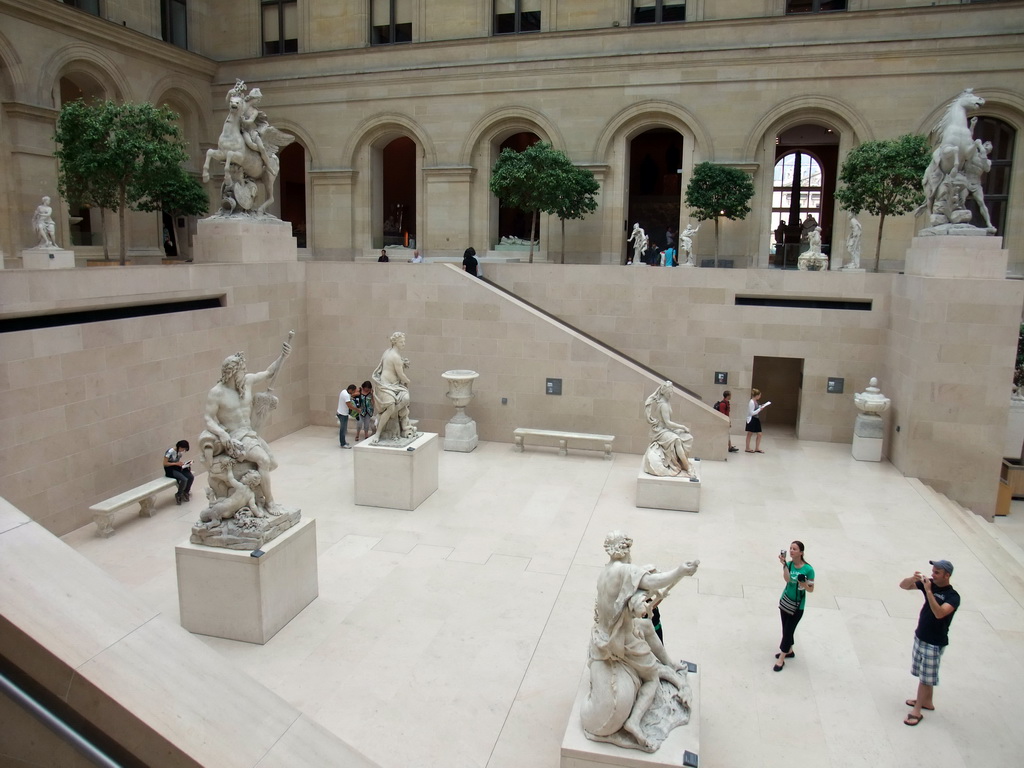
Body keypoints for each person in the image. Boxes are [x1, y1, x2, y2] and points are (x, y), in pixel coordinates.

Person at [586, 531, 698, 751]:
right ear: (625, 550)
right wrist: (680, 571)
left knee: (645, 626)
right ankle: (633, 722)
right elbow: (653, 580)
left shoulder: (606, 571)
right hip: (621, 641)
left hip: (603, 634)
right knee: (652, 677)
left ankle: (672, 664)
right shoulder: (624, 571)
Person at [200, 337, 292, 507]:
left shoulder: (247, 382)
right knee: (264, 460)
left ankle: (260, 497)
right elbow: (208, 419)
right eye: (242, 370)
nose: (245, 372)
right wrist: (221, 433)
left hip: (250, 434)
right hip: (235, 437)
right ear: (232, 373)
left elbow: (268, 373)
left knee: (272, 462)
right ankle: (270, 502)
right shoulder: (217, 393)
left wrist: (282, 357)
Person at [899, 560, 960, 726]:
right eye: (933, 571)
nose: (933, 574)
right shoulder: (930, 584)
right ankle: (927, 702)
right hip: (921, 636)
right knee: (923, 673)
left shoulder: (953, 597)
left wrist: (929, 592)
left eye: (937, 572)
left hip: (934, 642)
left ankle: (917, 711)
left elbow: (940, 613)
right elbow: (903, 586)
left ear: (947, 575)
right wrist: (912, 578)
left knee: (925, 679)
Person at [774, 541, 814, 671]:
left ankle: (781, 659)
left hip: (797, 606)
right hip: (786, 602)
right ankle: (789, 650)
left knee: (787, 632)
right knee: (786, 629)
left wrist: (803, 584)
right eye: (790, 548)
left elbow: (811, 589)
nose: (791, 551)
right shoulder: (790, 564)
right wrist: (784, 564)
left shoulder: (808, 569)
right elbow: (787, 579)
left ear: (801, 552)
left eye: (794, 549)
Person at [642, 381, 695, 477]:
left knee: (687, 437)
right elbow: (668, 423)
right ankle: (687, 467)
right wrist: (682, 426)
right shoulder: (664, 405)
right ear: (665, 392)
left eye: (672, 392)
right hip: (660, 431)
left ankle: (683, 462)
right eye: (670, 392)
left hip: (666, 429)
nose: (671, 394)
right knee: (677, 440)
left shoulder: (666, 402)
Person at [372, 331, 414, 442]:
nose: (404, 344)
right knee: (391, 406)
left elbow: (392, 367)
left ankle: (390, 415)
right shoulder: (395, 356)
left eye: (404, 341)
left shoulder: (388, 352)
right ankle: (378, 432)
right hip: (386, 387)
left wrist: (402, 363)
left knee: (405, 399)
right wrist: (408, 381)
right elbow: (401, 375)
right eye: (401, 342)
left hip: (394, 386)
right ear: (395, 342)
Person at [163, 439, 194, 505]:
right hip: (170, 469)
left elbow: (177, 462)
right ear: (180, 447)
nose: (183, 451)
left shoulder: (179, 453)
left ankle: (186, 492)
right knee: (184, 479)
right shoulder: (170, 452)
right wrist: (175, 464)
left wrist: (185, 464)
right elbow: (165, 463)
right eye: (183, 449)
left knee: (190, 477)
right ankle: (179, 494)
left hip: (177, 467)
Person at [745, 388, 770, 453]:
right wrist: (760, 409)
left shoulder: (756, 402)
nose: (760, 397)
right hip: (752, 419)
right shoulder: (751, 402)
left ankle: (757, 448)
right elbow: (752, 413)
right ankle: (747, 448)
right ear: (756, 395)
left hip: (756, 419)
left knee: (759, 434)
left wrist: (760, 406)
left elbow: (756, 408)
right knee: (749, 434)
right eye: (759, 395)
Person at [337, 384, 357, 448]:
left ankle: (343, 442)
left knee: (343, 429)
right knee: (343, 430)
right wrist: (357, 410)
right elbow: (349, 406)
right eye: (353, 391)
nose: (353, 393)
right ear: (350, 390)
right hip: (343, 414)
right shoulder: (346, 395)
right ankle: (343, 444)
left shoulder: (343, 391)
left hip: (341, 412)